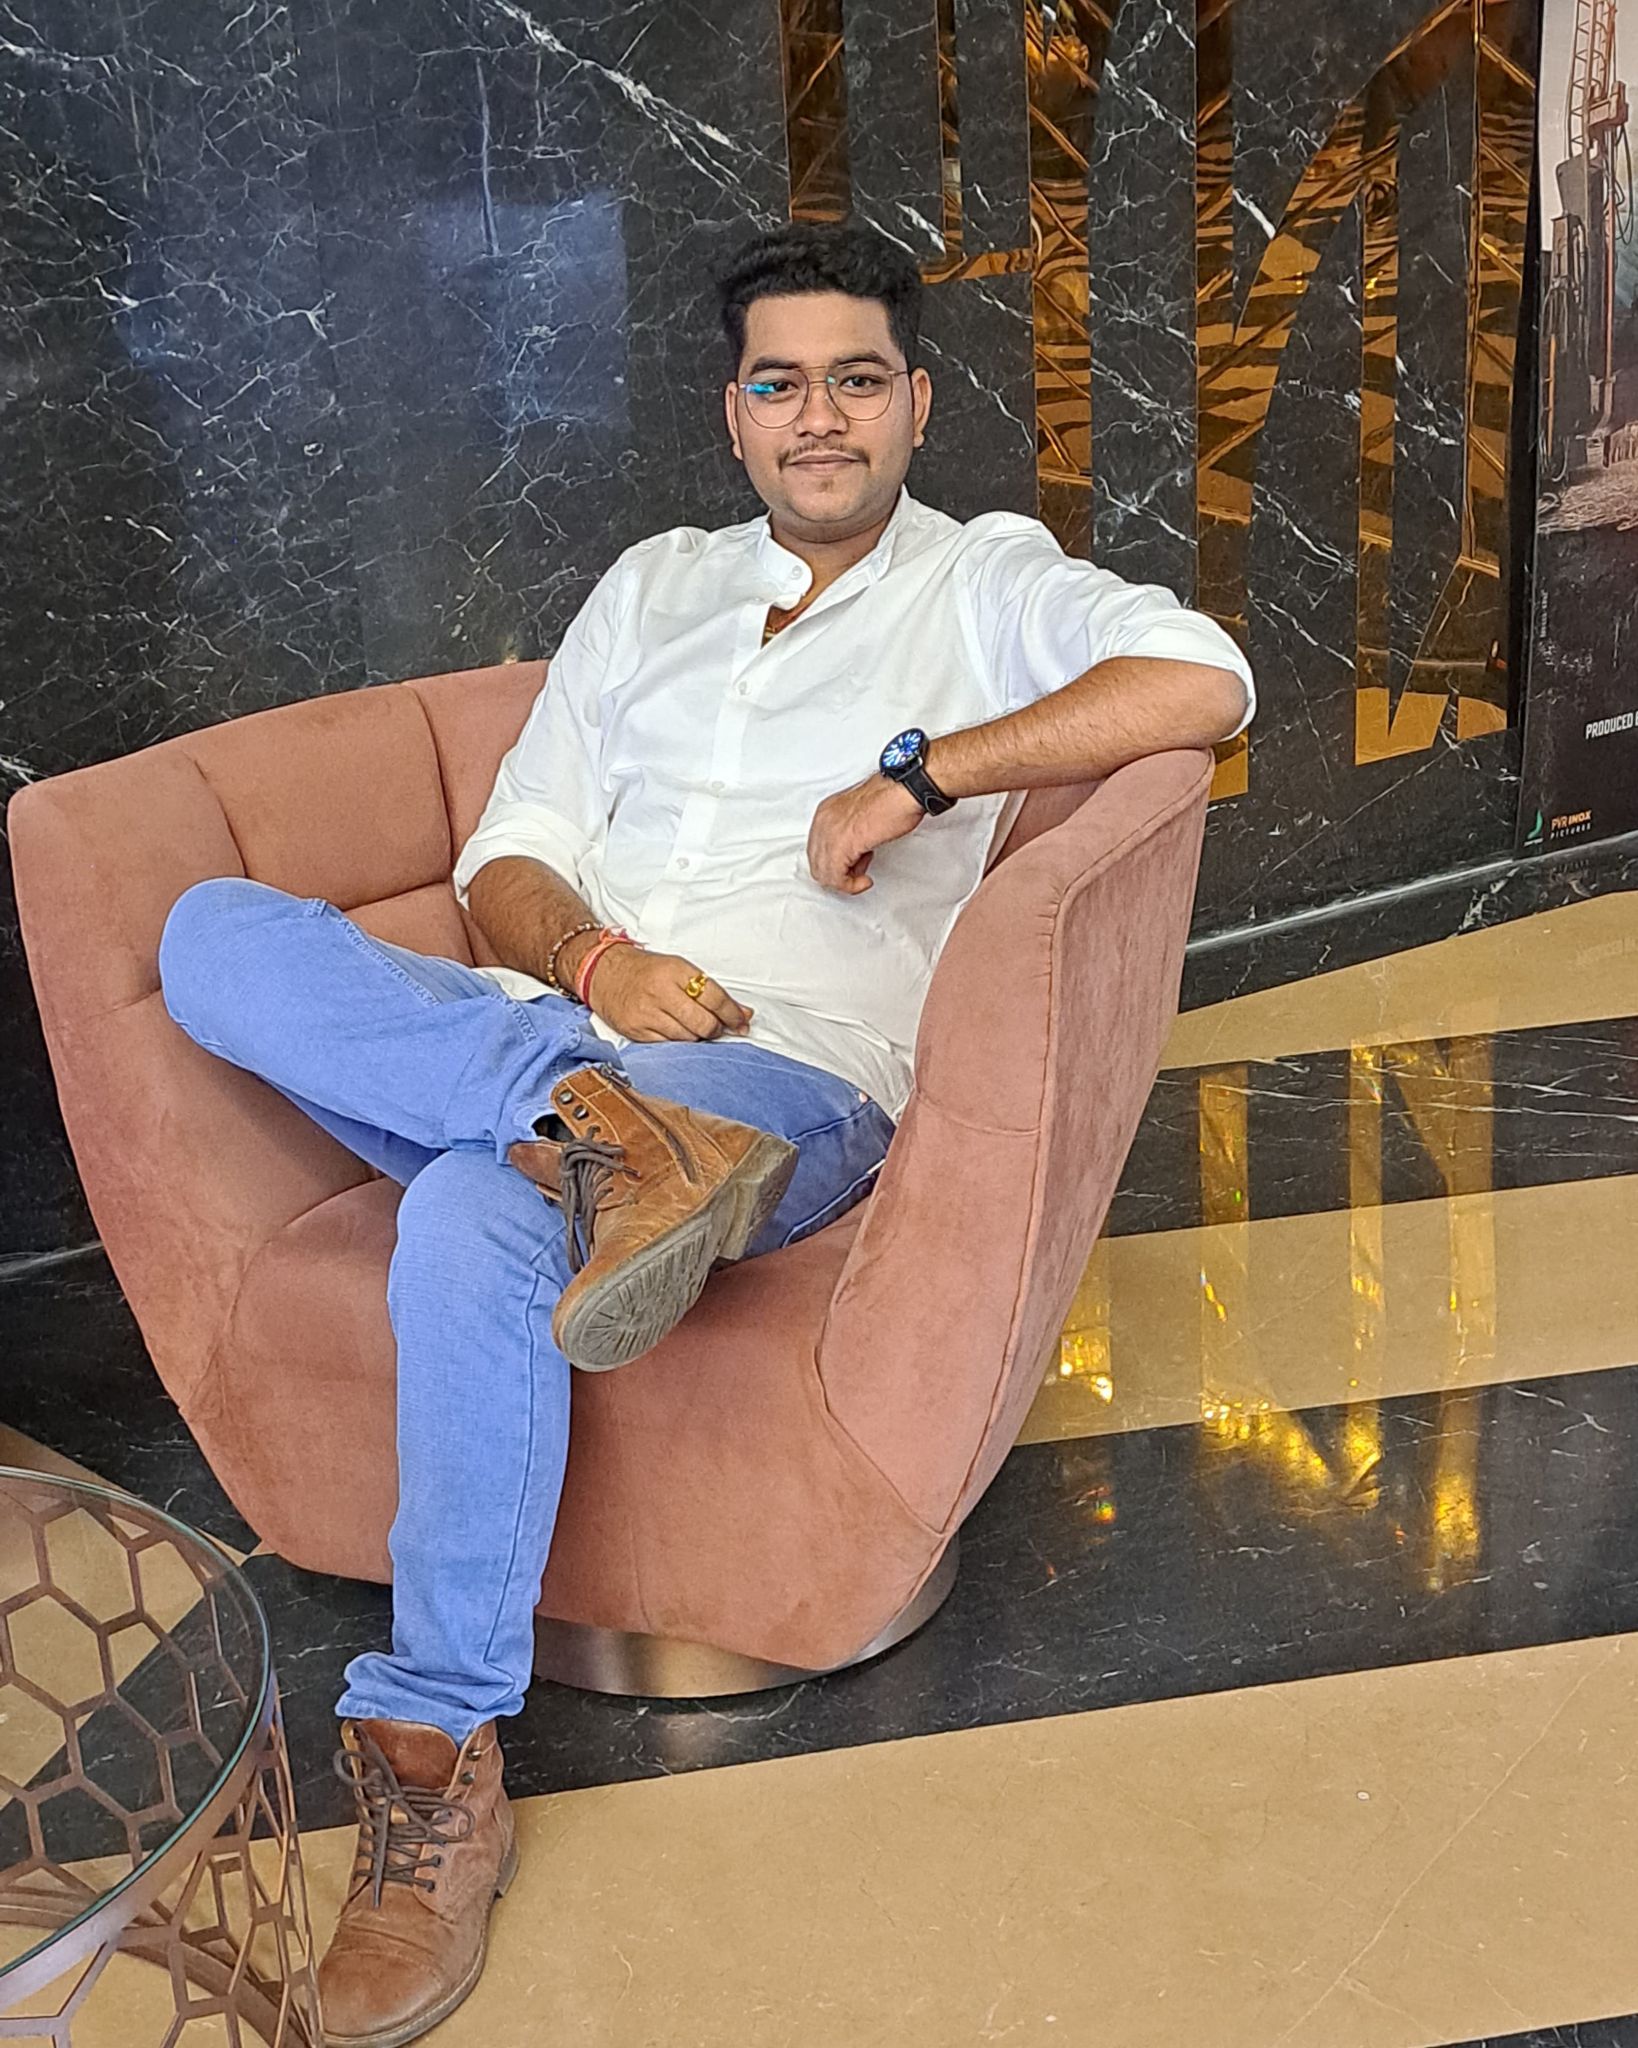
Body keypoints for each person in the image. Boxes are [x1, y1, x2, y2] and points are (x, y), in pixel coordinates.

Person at [157, 220, 1254, 2047]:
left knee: (469, 1220)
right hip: (564, 1021)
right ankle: (584, 1127)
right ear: (732, 412)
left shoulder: (983, 579)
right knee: (210, 935)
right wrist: (596, 965)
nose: (818, 418)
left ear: (915, 403)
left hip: (787, 1074)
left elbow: (1201, 683)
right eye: (780, 384)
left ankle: (435, 1756)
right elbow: (508, 857)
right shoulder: (651, 586)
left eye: (855, 381)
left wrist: (918, 777)